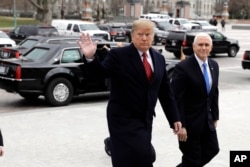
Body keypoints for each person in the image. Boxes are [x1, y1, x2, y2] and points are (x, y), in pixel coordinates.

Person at [78, 19, 182, 167]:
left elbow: (165, 91)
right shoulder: (118, 55)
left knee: (136, 157)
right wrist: (90, 58)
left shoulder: (158, 58)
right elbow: (99, 75)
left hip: (145, 119)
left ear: (153, 36)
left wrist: (174, 118)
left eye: (148, 34)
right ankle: (113, 144)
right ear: (132, 36)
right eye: (140, 34)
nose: (144, 38)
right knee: (142, 156)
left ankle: (112, 144)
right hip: (122, 119)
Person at [171, 32, 220, 167]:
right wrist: (180, 125)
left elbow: (214, 92)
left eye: (206, 45)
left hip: (207, 121)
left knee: (212, 149)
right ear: (193, 47)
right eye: (200, 45)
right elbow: (176, 99)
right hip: (188, 124)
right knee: (192, 157)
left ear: (211, 47)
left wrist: (215, 116)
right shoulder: (183, 67)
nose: (203, 48)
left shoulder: (214, 65)